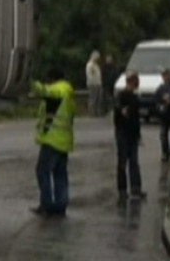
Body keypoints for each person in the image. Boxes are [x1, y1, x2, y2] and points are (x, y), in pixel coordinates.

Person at [30, 69, 76, 217]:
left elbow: (43, 90)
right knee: (60, 173)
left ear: (53, 79)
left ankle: (47, 205)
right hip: (64, 141)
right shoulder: (69, 94)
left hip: (52, 140)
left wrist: (27, 81)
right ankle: (60, 206)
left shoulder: (59, 90)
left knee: (42, 171)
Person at [114, 71, 146, 200]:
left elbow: (136, 119)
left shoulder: (133, 97)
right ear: (131, 81)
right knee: (124, 162)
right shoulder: (123, 96)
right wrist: (122, 112)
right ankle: (125, 189)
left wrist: (138, 134)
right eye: (135, 81)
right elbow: (118, 113)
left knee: (132, 162)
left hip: (130, 133)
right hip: (124, 133)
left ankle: (133, 188)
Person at [85, 50, 102, 116]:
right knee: (93, 98)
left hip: (98, 83)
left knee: (98, 98)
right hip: (92, 84)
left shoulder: (96, 65)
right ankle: (91, 112)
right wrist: (92, 82)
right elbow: (90, 75)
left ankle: (96, 112)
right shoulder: (90, 65)